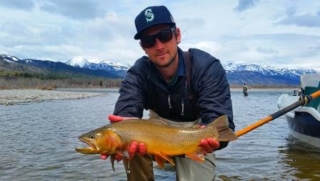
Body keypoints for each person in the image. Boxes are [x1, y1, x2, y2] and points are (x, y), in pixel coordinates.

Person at [101, 5, 235, 181]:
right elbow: (127, 105)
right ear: (143, 47)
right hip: (155, 133)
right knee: (130, 144)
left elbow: (221, 125)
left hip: (193, 133)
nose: (159, 46)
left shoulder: (206, 67)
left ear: (177, 35)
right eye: (149, 41)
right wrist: (124, 128)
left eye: (164, 35)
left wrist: (215, 141)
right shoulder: (139, 72)